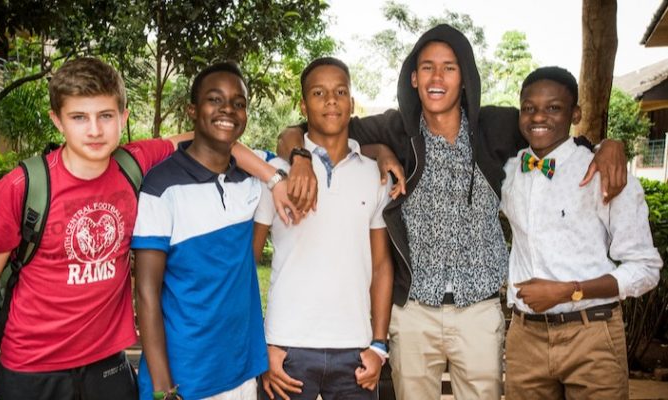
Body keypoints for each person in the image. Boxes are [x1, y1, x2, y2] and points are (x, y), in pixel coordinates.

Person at [277, 24, 628, 400]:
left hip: (478, 312)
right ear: (414, 78)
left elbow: (551, 132)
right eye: (427, 67)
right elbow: (303, 130)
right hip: (413, 312)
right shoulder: (394, 128)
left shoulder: (495, 126)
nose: (437, 78)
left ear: (465, 78)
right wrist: (316, 155)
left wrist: (609, 144)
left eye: (449, 67)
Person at [0, 57, 296, 400]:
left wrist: (275, 178)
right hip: (31, 367)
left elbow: (218, 137)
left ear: (123, 117)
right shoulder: (21, 187)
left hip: (107, 364)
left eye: (106, 116)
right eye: (79, 117)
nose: (94, 130)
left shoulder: (134, 162)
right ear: (57, 120)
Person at [501, 66, 662, 399]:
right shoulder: (510, 171)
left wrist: (570, 291)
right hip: (525, 339)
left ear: (575, 114)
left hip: (592, 336)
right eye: (529, 107)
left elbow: (646, 269)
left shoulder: (605, 175)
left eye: (553, 107)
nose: (538, 116)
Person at [132, 62, 278, 400]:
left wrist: (296, 161)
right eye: (215, 99)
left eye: (238, 103)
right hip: (185, 378)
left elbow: (290, 148)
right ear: (192, 111)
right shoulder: (161, 186)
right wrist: (163, 389)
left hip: (242, 371)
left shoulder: (252, 178)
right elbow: (146, 292)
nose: (228, 109)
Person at [253, 57, 395, 400]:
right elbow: (248, 263)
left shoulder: (374, 174)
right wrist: (261, 344)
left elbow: (381, 265)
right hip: (286, 347)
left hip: (356, 351)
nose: (331, 100)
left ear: (352, 103)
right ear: (304, 106)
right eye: (319, 93)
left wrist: (378, 345)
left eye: (340, 92)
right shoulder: (276, 174)